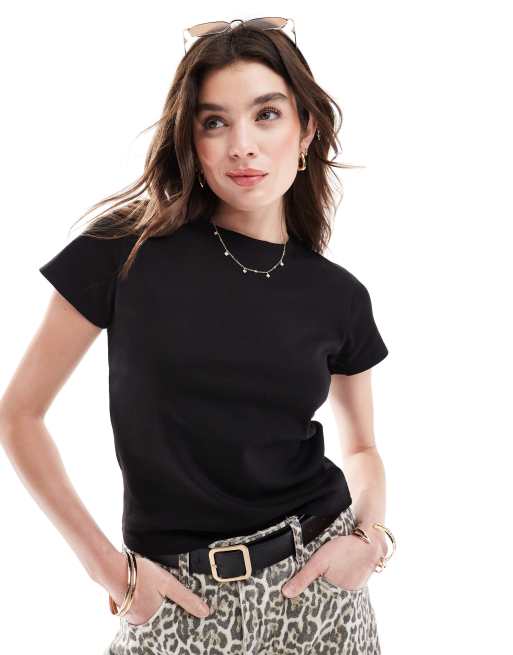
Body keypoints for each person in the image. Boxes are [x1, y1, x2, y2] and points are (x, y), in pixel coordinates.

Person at [0, 17, 396, 655]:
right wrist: (108, 569)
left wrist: (369, 540)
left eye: (266, 115)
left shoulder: (338, 295)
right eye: (215, 122)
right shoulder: (123, 252)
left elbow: (363, 448)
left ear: (306, 130)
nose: (242, 146)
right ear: (191, 138)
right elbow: (19, 414)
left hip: (319, 594)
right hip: (175, 602)